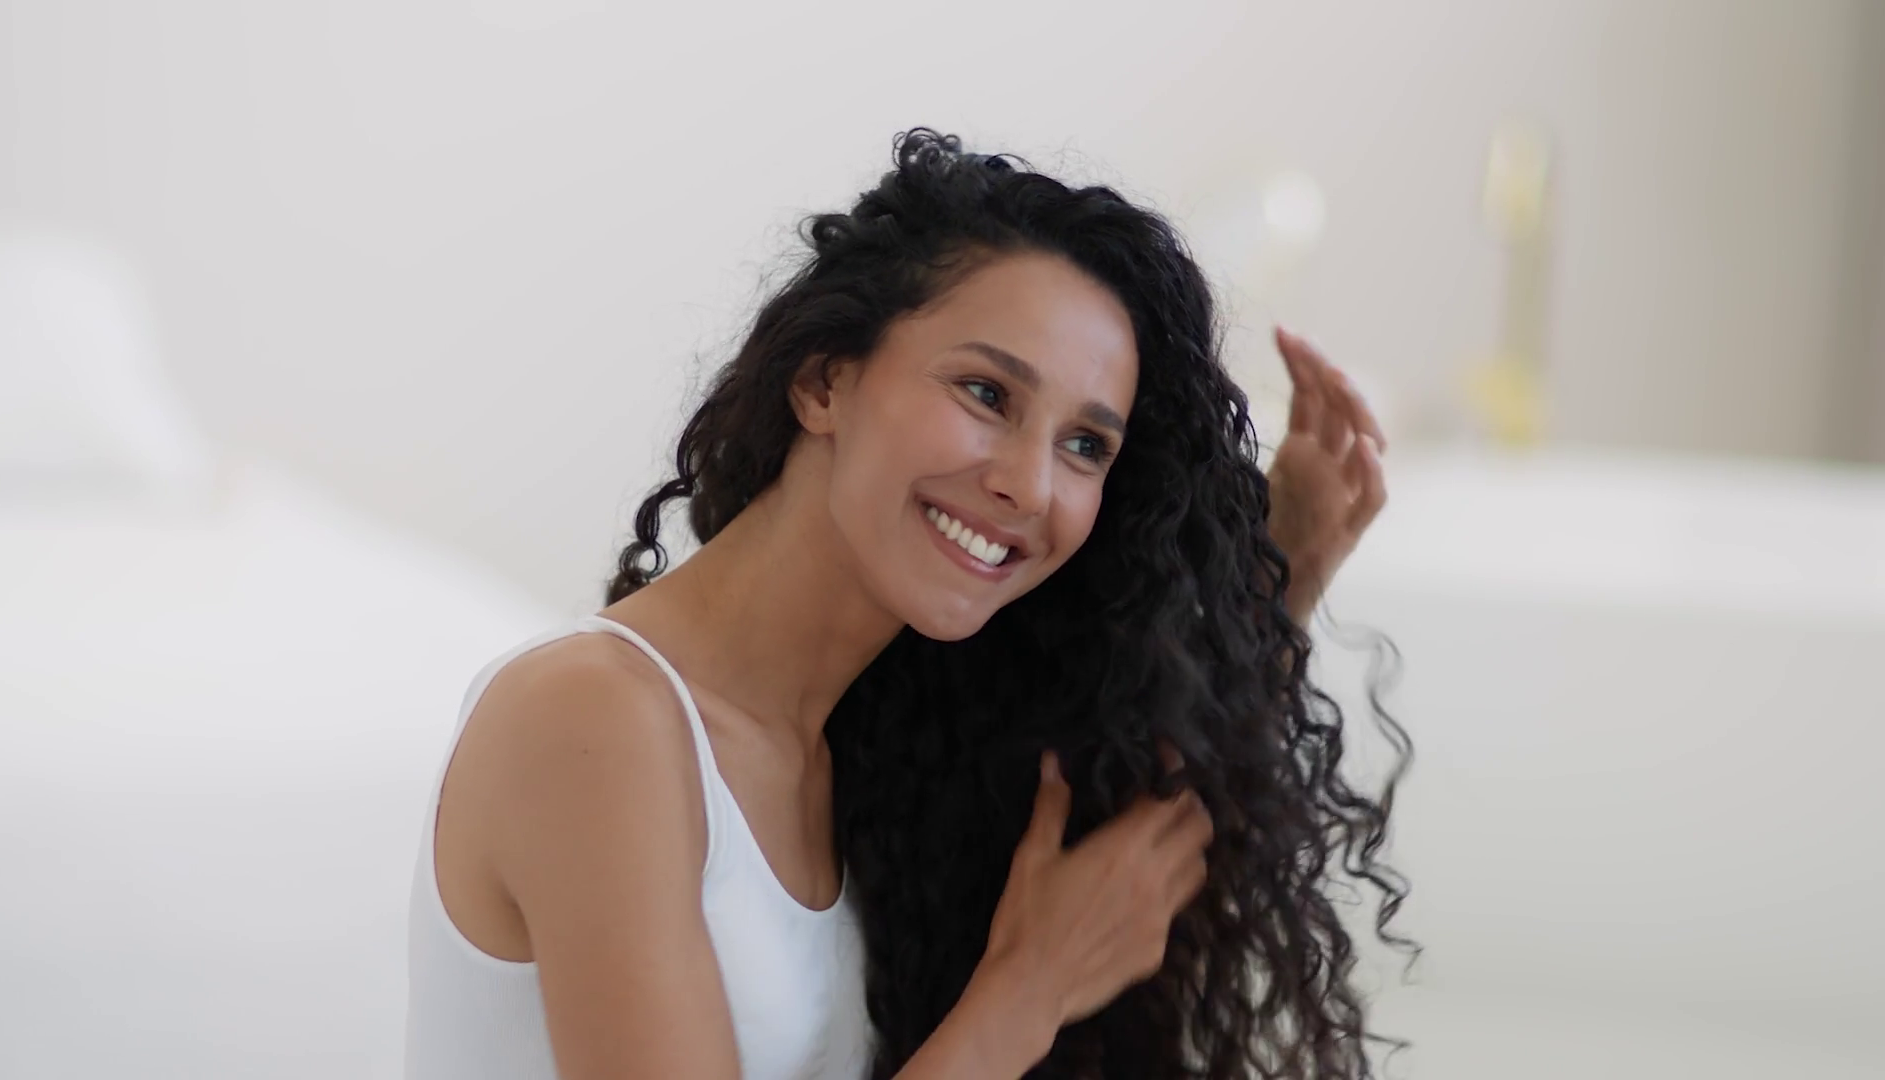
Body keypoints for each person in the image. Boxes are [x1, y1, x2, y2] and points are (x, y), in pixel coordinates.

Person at [404, 129, 1407, 1080]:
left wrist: (1286, 574)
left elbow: (1127, 878)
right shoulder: (594, 716)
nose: (1030, 485)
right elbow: (1054, 963)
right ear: (823, 382)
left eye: (1085, 445)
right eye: (986, 393)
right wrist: (1026, 992)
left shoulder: (867, 741)